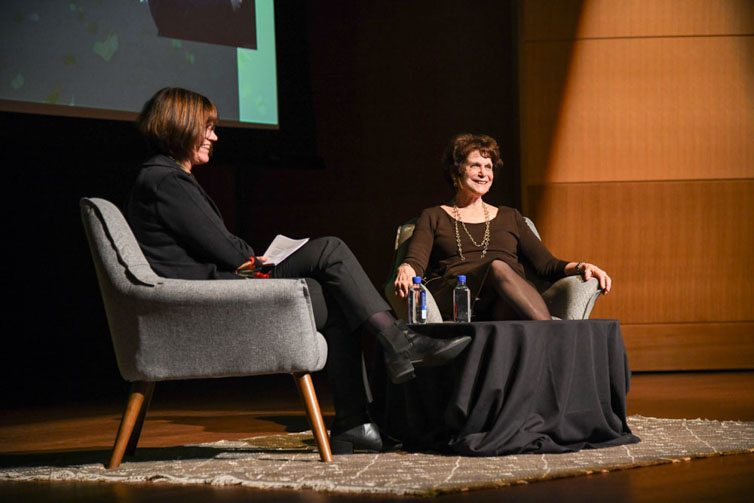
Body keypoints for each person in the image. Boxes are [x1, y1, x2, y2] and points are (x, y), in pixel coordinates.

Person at [125, 88, 471, 454]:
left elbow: (218, 246)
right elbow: (227, 251)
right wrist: (247, 255)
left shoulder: (163, 177)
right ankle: (399, 344)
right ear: (181, 126)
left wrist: (243, 254)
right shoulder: (166, 180)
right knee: (331, 249)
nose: (214, 136)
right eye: (207, 127)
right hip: (208, 297)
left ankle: (357, 422)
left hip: (217, 287)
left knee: (336, 297)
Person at [394, 133, 611, 321]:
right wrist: (405, 268)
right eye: (475, 166)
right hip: (460, 297)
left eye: (488, 167)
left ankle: (540, 343)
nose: (483, 173)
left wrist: (582, 266)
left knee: (511, 301)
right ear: (455, 173)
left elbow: (547, 265)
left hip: (504, 300)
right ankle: (553, 335)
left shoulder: (510, 216)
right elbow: (416, 260)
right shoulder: (434, 216)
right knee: (497, 266)